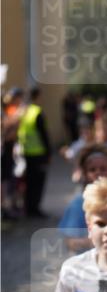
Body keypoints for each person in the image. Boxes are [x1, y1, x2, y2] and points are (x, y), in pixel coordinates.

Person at [58, 144, 107, 253]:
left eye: (103, 169)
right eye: (92, 169)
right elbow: (70, 242)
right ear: (85, 174)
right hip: (88, 266)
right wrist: (98, 241)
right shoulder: (79, 204)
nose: (98, 172)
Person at [17, 87, 51, 217]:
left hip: (26, 152)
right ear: (37, 97)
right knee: (38, 183)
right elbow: (44, 135)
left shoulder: (24, 111)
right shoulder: (37, 112)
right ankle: (34, 209)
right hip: (38, 153)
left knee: (28, 182)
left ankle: (28, 207)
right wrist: (48, 153)